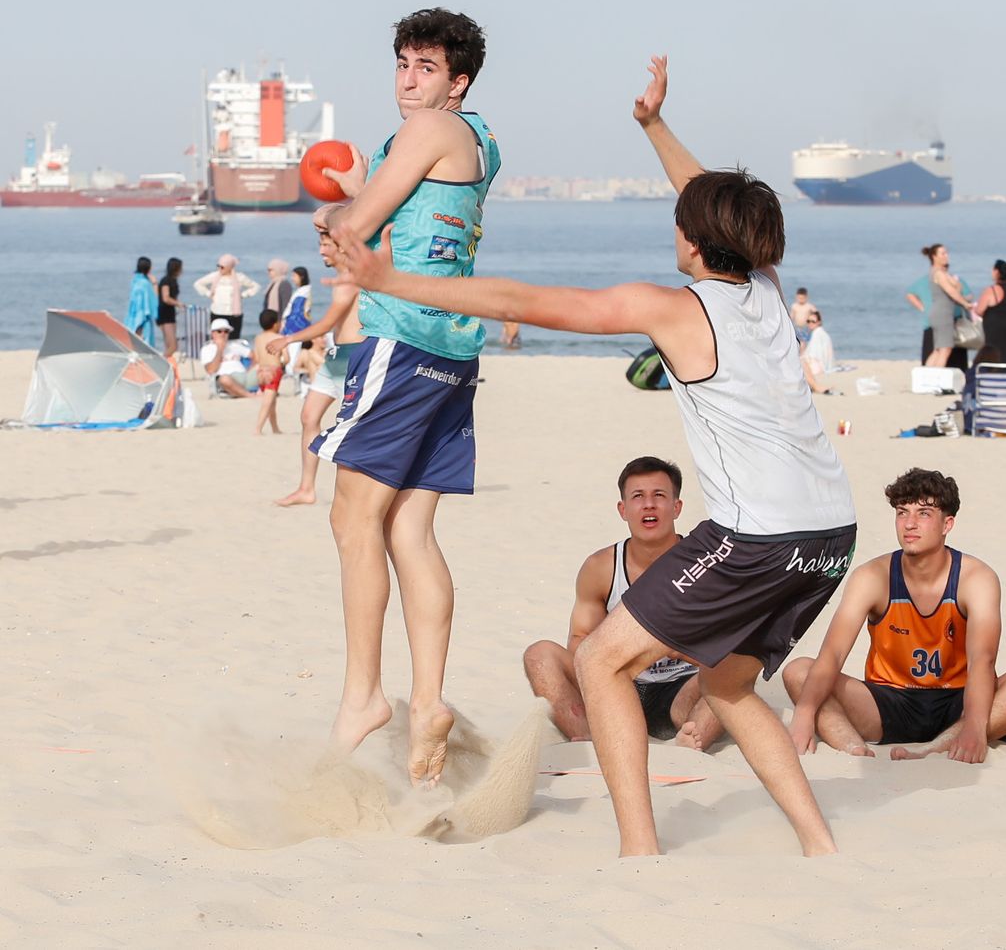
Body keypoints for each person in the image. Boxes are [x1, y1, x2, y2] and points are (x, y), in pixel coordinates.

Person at [331, 54, 856, 858]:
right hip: (831, 535)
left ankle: (639, 849)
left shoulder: (674, 309)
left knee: (601, 658)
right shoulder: (767, 289)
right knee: (727, 682)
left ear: (695, 240)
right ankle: (820, 844)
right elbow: (712, 200)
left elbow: (527, 302)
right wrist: (654, 126)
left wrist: (393, 280)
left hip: (759, 536)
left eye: (682, 220)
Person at [309, 8, 500, 787]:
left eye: (427, 67)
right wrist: (359, 198)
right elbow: (414, 220)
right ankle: (426, 700)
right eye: (403, 64)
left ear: (458, 82)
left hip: (402, 340)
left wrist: (335, 213)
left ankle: (363, 695)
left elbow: (357, 229)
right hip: (453, 348)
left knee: (351, 516)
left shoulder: (426, 129)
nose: (410, 80)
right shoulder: (479, 140)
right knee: (410, 529)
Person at [785, 468, 1006, 762]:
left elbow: (982, 660)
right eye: (902, 512)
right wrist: (804, 714)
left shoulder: (976, 578)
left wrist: (975, 726)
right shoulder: (872, 576)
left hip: (959, 701)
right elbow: (832, 655)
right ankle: (853, 748)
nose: (909, 524)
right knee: (798, 671)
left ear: (947, 523)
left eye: (924, 513)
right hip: (888, 703)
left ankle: (936, 747)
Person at [523, 457, 723, 750]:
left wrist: (667, 647)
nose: (649, 505)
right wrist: (624, 655)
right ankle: (589, 739)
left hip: (684, 688)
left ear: (677, 507)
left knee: (731, 671)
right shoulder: (601, 567)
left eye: (659, 495)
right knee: (540, 655)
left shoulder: (706, 565)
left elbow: (728, 645)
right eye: (638, 497)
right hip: (618, 685)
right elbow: (579, 640)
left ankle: (690, 741)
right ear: (623, 509)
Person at [268, 232, 362, 507]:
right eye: (320, 244)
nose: (321, 250)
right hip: (335, 356)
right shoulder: (341, 278)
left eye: (326, 245)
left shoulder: (351, 279)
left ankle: (360, 492)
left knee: (355, 428)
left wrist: (287, 339)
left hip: (355, 357)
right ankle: (306, 489)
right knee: (309, 416)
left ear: (342, 247)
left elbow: (327, 323)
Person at [922, 243, 975, 369]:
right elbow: (951, 291)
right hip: (942, 314)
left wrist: (957, 288)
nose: (946, 256)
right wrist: (965, 304)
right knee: (945, 349)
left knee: (938, 349)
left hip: (942, 314)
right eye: (943, 254)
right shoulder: (938, 273)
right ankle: (935, 376)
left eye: (946, 253)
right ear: (934, 256)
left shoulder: (942, 273)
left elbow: (958, 287)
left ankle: (926, 374)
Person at [973, 259, 1006, 361]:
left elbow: (979, 310)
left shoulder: (992, 290)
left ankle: (993, 369)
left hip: (995, 327)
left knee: (994, 354)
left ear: (997, 272)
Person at [251, 310, 288, 435]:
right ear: (275, 324)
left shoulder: (258, 338)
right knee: (267, 402)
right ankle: (258, 429)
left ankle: (275, 428)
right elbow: (286, 358)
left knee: (271, 402)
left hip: (261, 371)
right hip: (273, 371)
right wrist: (281, 363)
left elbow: (256, 358)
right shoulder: (279, 338)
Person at [200, 317, 254, 398]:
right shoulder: (207, 349)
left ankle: (239, 392)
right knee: (224, 379)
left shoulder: (234, 345)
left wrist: (251, 369)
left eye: (226, 331)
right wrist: (220, 349)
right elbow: (211, 370)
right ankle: (249, 395)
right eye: (219, 331)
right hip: (225, 379)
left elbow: (255, 356)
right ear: (212, 333)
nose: (223, 334)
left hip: (243, 376)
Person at [125, 257, 158, 348]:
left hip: (133, 316)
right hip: (143, 317)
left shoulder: (135, 281)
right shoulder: (145, 283)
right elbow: (153, 299)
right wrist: (155, 283)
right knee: (142, 343)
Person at [156, 258, 184, 358]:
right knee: (173, 346)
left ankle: (168, 362)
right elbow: (166, 298)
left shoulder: (174, 281)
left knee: (169, 344)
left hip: (170, 313)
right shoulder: (166, 281)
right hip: (165, 314)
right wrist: (178, 304)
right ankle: (162, 362)